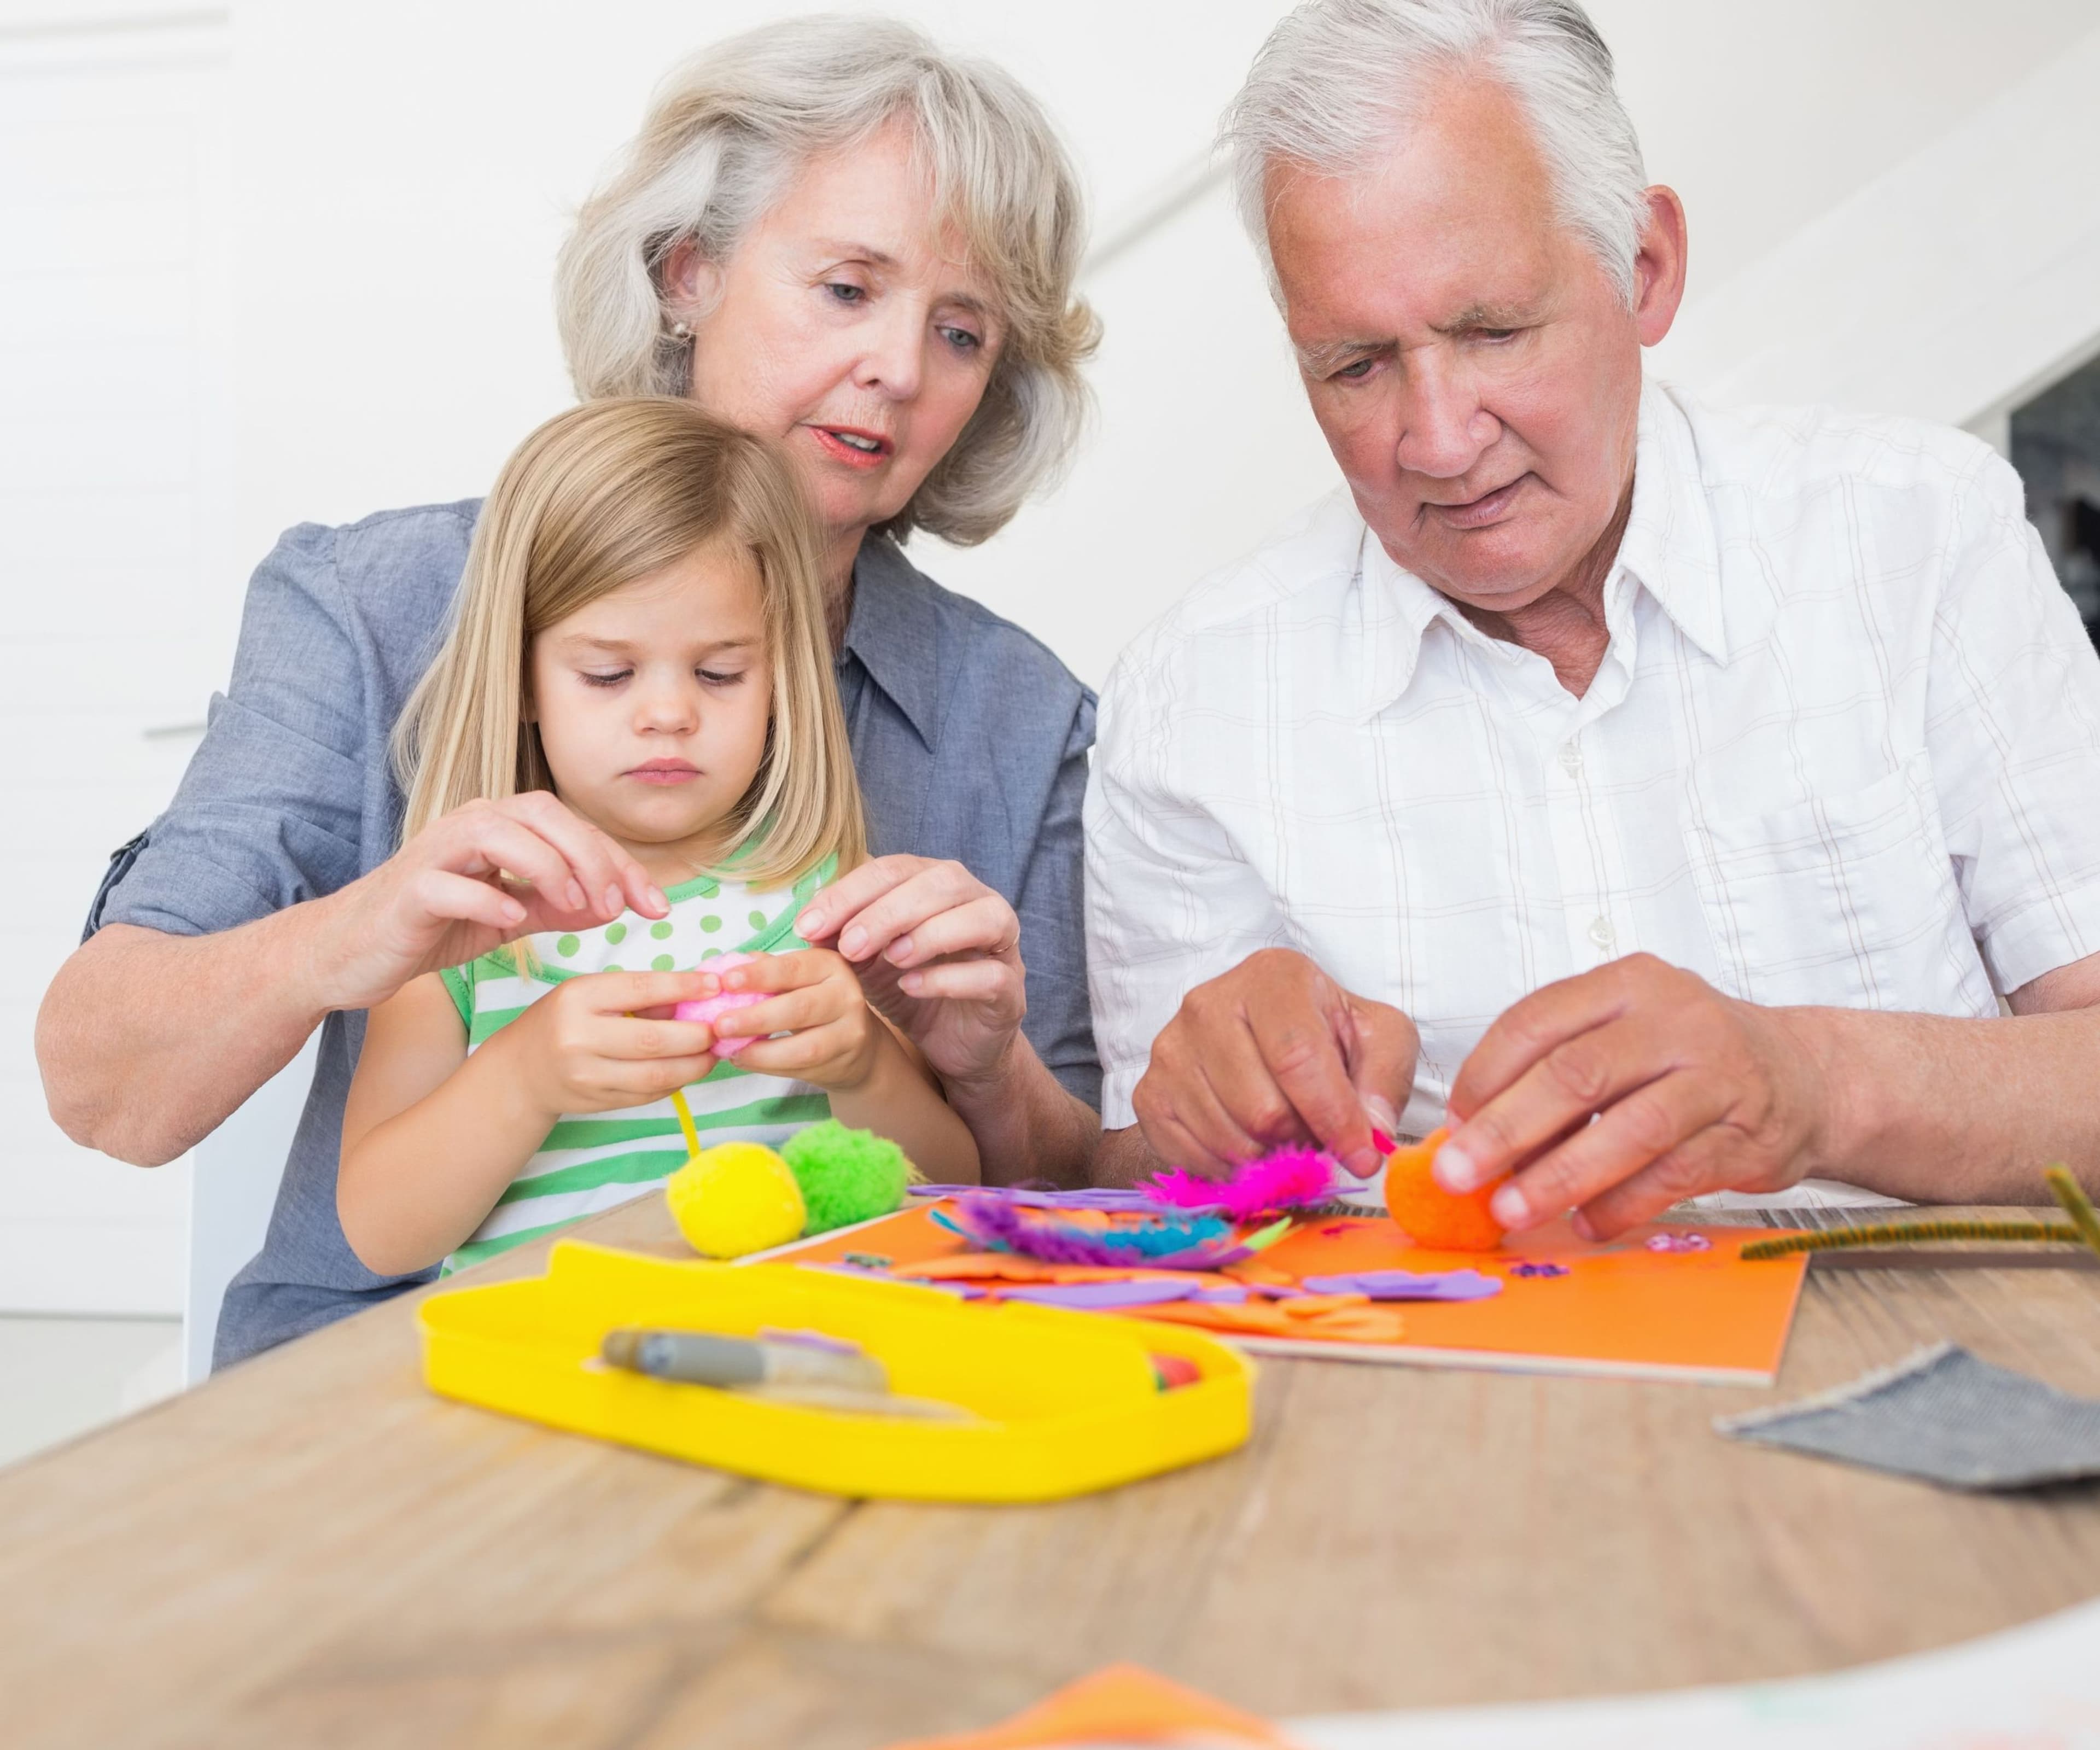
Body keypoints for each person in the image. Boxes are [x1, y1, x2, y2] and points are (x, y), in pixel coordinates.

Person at [37, 17, 1100, 1366]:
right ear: (687, 273)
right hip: (392, 1376)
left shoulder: (1021, 718)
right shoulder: (368, 608)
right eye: (847, 289)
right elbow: (102, 1092)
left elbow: (1067, 1210)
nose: (899, 367)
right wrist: (355, 935)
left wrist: (977, 1064)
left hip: (824, 1365)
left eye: (962, 331)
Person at [1087, 0, 2100, 1230]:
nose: (1439, 440)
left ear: (1645, 267)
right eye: (1356, 365)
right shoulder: (1190, 696)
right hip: (1438, 1388)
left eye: (1494, 330)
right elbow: (1152, 1198)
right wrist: (1203, 1120)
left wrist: (1817, 1085)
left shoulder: (1918, 534)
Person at [339, 401, 978, 1277]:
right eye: (609, 673)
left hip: (797, 1347)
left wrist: (865, 1066)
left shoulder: (827, 899)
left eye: (721, 673)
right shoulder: (466, 922)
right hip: (554, 1364)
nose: (670, 714)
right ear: (522, 677)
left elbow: (954, 1186)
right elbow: (381, 1236)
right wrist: (525, 1077)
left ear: (780, 679)